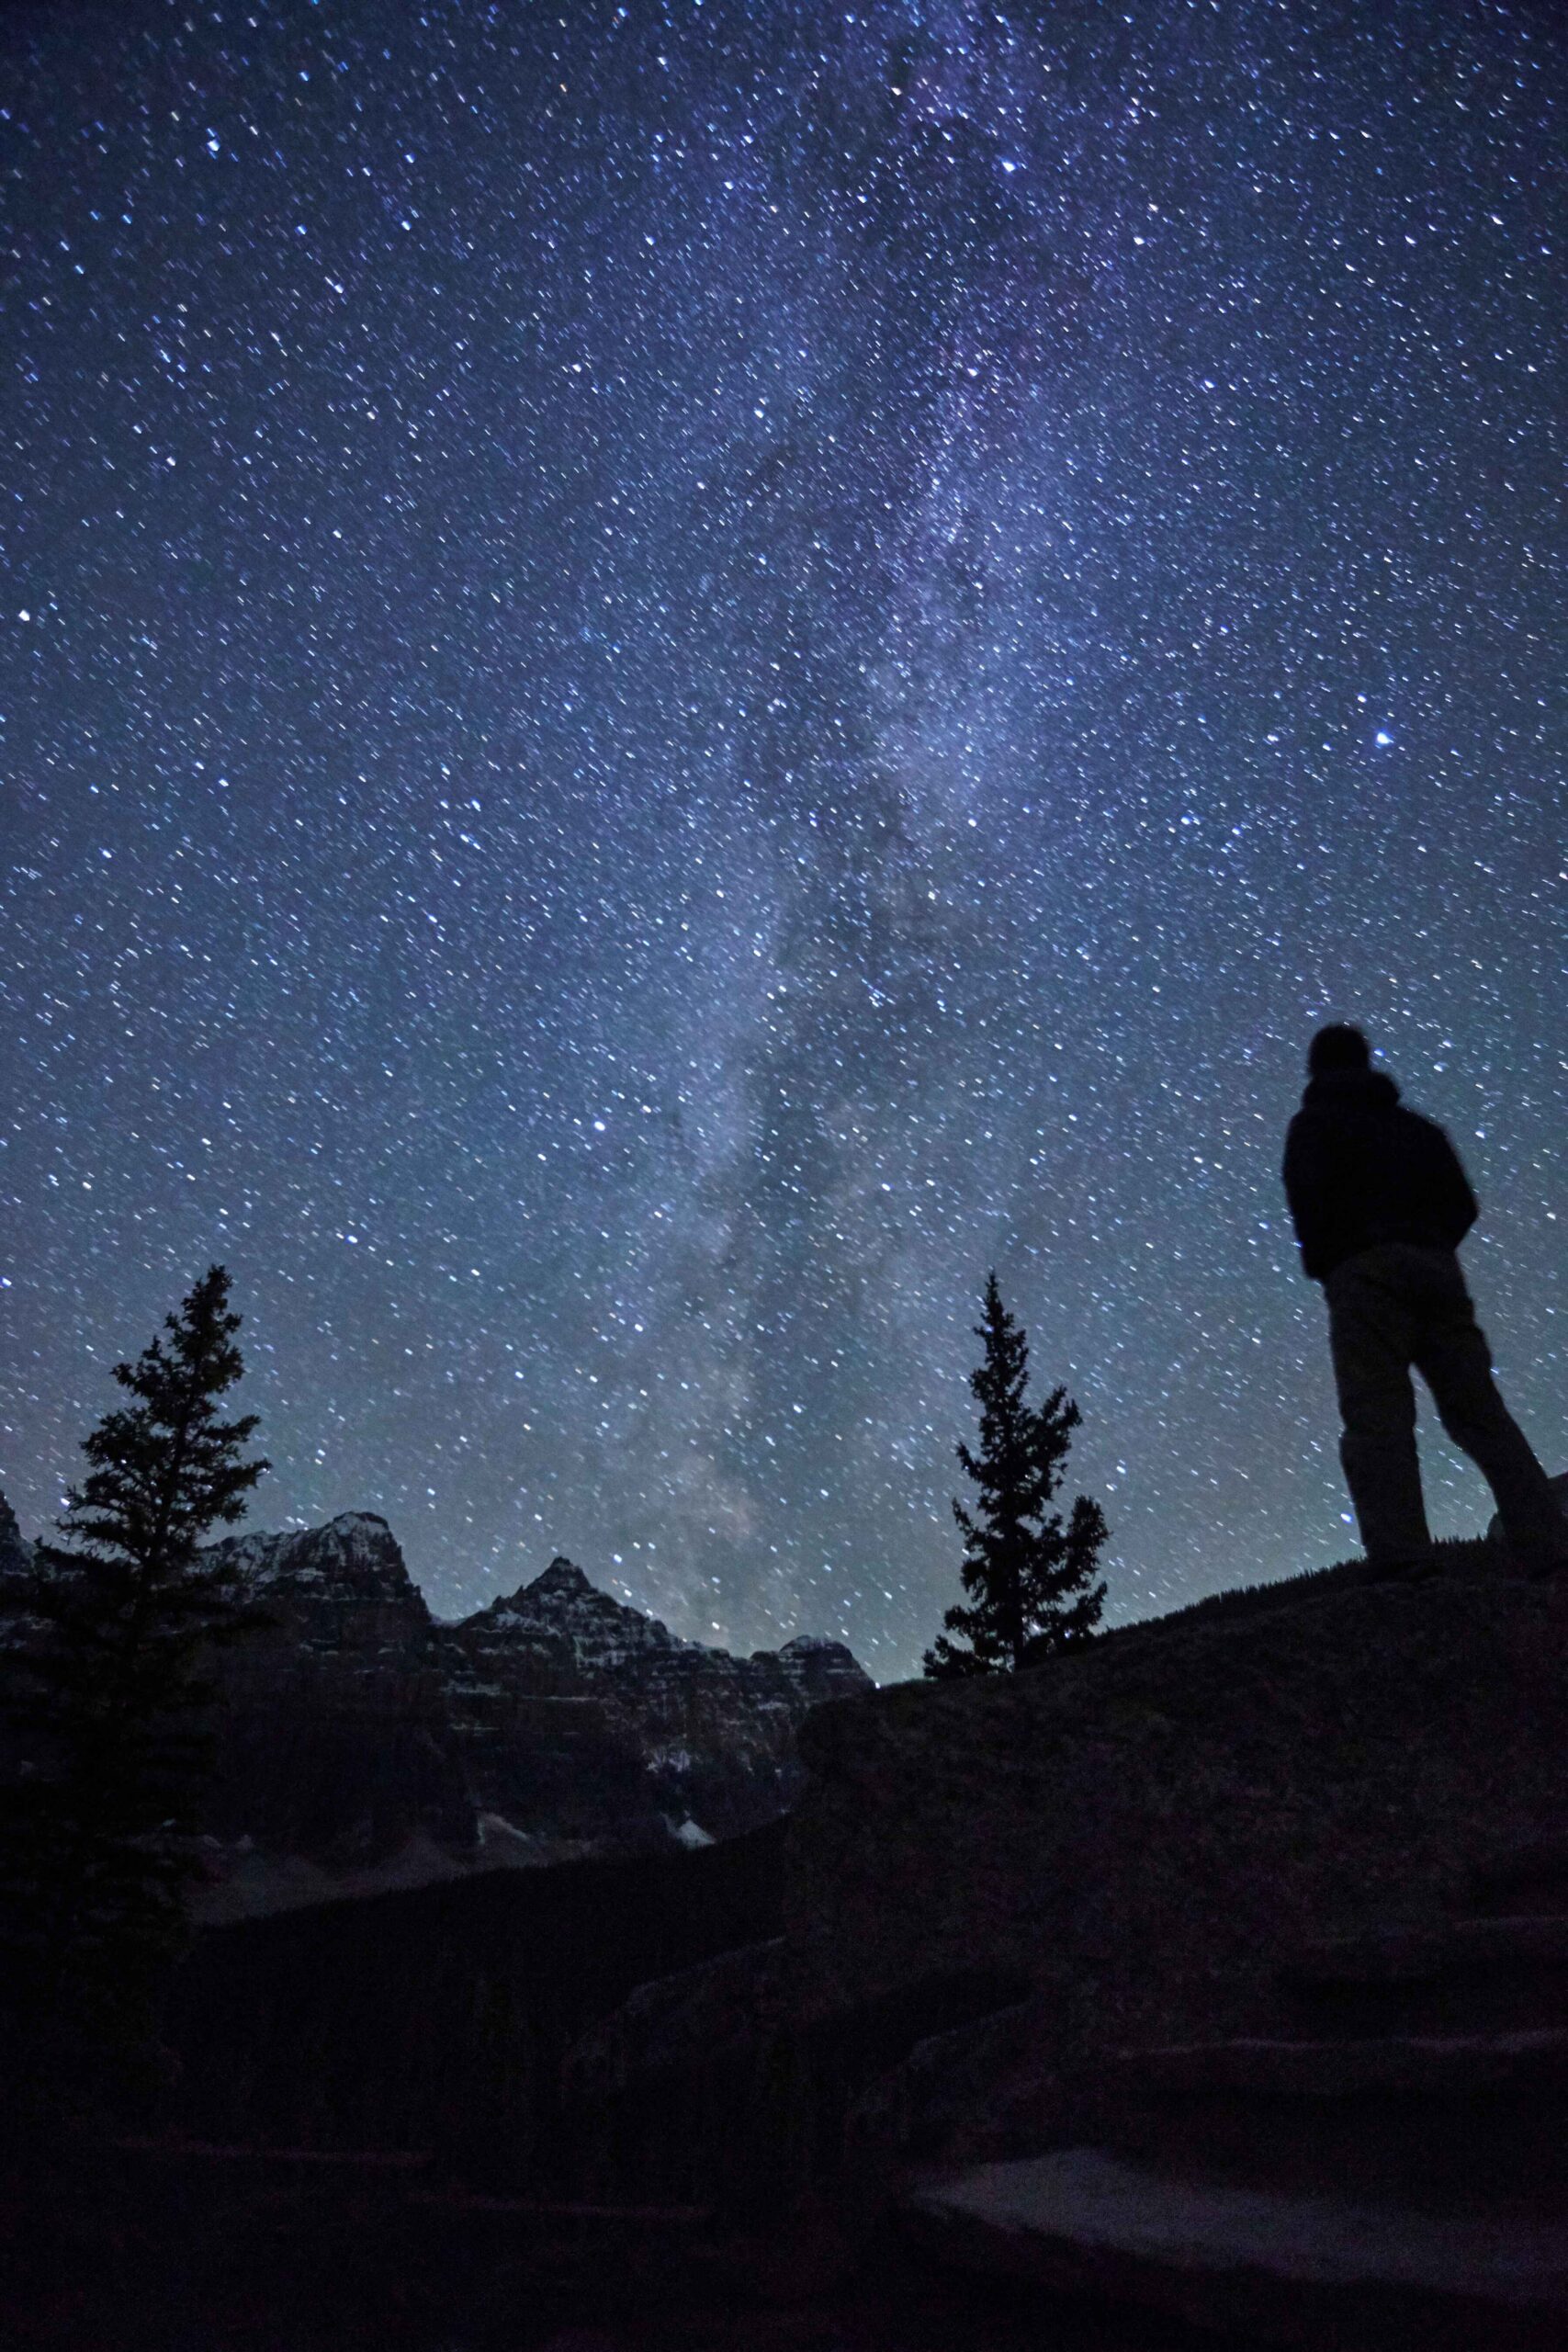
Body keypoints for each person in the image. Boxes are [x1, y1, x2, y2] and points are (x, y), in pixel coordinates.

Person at [1282, 1023, 1565, 1577]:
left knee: (1377, 1415)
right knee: (1481, 1413)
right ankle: (1548, 1546)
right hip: (1436, 1270)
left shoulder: (1313, 1127)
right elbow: (1462, 1204)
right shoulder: (1417, 1131)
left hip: (1362, 1273)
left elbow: (1306, 1199)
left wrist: (1332, 1261)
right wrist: (1431, 1245)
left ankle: (1403, 1558)